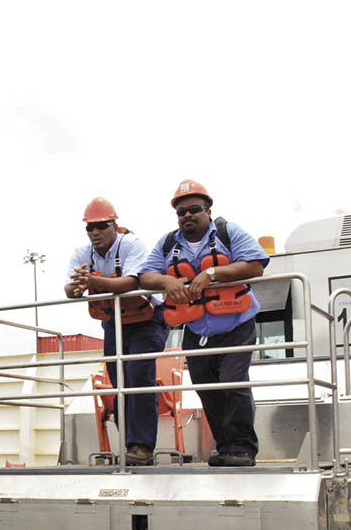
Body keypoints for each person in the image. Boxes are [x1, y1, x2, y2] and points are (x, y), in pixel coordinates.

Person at [139, 179, 268, 467]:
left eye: (194, 209)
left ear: (208, 210)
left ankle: (243, 449)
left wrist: (211, 273)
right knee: (207, 389)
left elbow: (256, 264)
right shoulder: (168, 243)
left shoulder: (228, 232)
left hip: (236, 324)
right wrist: (166, 281)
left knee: (233, 383)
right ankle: (225, 448)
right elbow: (145, 276)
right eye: (181, 212)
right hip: (196, 330)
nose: (187, 216)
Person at [67, 197, 169, 466]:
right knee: (118, 384)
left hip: (147, 321)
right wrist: (76, 286)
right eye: (90, 228)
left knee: (139, 376)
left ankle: (142, 447)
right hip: (114, 323)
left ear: (115, 225)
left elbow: (131, 282)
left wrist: (91, 280)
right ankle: (130, 446)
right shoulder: (82, 254)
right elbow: (69, 289)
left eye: (101, 226)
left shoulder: (132, 245)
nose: (95, 233)